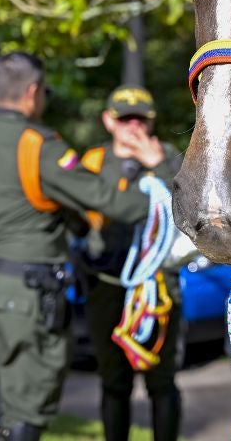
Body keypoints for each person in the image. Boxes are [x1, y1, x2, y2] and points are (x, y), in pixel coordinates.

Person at [0, 53, 164, 441]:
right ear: (32, 93)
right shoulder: (37, 145)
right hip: (29, 293)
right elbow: (108, 202)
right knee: (29, 407)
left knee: (13, 399)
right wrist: (161, 197)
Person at [77, 86, 184, 441]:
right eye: (125, 118)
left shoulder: (169, 157)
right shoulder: (92, 162)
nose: (133, 126)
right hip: (106, 286)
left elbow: (191, 211)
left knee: (162, 382)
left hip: (158, 287)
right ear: (109, 120)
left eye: (141, 118)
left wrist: (158, 166)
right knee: (113, 382)